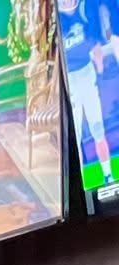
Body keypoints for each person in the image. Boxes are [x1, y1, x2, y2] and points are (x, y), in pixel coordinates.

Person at [61, 0, 118, 191]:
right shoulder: (57, 19)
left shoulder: (86, 9)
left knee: (97, 128)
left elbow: (95, 44)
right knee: (74, 136)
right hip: (70, 81)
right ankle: (79, 185)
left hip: (87, 74)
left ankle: (108, 175)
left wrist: (100, 69)